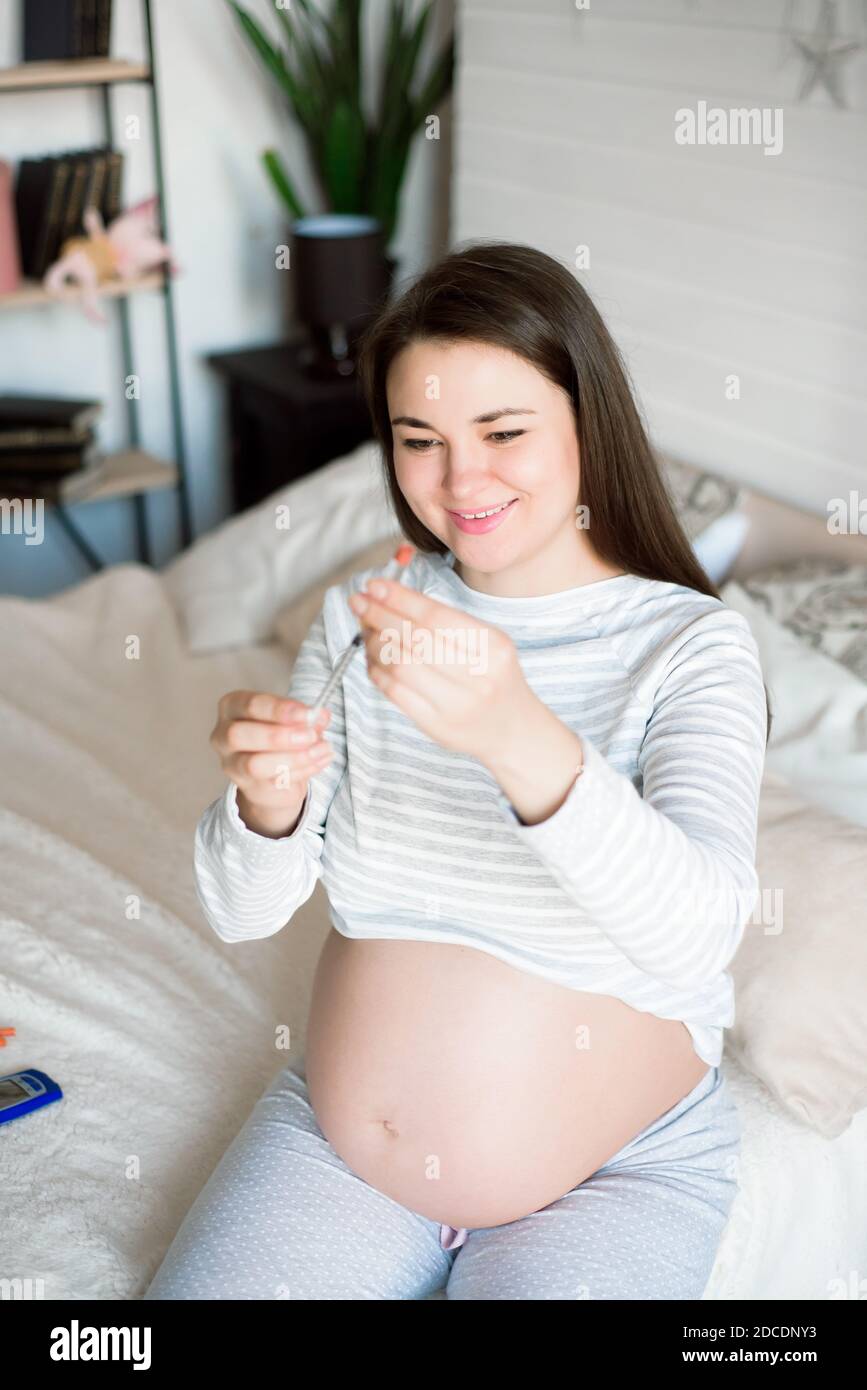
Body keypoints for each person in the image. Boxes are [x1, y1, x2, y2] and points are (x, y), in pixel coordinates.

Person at [143, 241, 768, 1300]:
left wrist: (516, 734)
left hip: (612, 1174)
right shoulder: (362, 617)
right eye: (418, 438)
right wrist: (268, 805)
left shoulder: (691, 645)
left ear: (587, 418)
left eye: (503, 431)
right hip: (344, 1146)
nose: (459, 480)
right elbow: (248, 912)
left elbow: (700, 929)